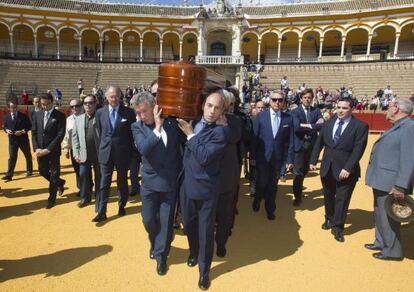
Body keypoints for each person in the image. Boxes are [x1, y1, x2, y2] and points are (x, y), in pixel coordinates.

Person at [176, 88, 228, 290]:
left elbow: (205, 156)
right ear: (203, 105)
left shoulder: (221, 132)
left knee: (206, 232)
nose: (212, 111)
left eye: (217, 108)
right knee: (188, 225)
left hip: (207, 190)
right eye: (209, 105)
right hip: (186, 186)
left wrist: (190, 135)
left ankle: (204, 272)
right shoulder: (193, 120)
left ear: (222, 111)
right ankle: (193, 251)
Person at [131, 92, 184, 276]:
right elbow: (143, 148)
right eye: (137, 112)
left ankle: (161, 257)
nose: (140, 116)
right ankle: (156, 241)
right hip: (149, 184)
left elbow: (184, 146)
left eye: (143, 111)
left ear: (154, 108)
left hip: (170, 182)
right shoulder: (136, 127)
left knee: (167, 222)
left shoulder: (172, 123)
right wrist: (157, 128)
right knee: (148, 220)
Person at [309, 98, 368, 242]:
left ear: (352, 109)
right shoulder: (328, 123)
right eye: (339, 107)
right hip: (327, 167)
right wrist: (313, 160)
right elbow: (319, 143)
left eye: (345, 108)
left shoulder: (360, 126)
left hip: (346, 169)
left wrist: (348, 167)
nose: (341, 110)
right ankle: (329, 219)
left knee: (342, 199)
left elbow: (358, 150)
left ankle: (338, 227)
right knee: (328, 196)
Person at [365, 98, 414, 261]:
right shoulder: (399, 126)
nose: (387, 108)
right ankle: (381, 242)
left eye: (390, 106)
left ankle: (393, 251)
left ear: (396, 109)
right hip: (383, 179)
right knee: (380, 213)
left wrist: (400, 185)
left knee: (389, 217)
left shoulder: (409, 127)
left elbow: (409, 159)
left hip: (392, 182)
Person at [92, 86, 136, 222]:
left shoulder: (129, 113)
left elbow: (132, 134)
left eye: (116, 96)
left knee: (122, 181)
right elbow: (99, 133)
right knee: (104, 182)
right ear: (106, 97)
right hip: (105, 153)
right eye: (111, 96)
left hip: (122, 153)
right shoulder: (100, 113)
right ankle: (101, 210)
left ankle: (121, 204)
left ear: (120, 96)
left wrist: (131, 153)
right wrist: (101, 150)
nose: (114, 99)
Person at [251, 90, 294, 220]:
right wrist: (252, 157)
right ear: (269, 101)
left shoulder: (288, 118)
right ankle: (258, 198)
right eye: (274, 99)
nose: (277, 102)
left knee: (273, 185)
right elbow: (254, 138)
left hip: (278, 158)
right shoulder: (261, 117)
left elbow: (290, 141)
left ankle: (270, 209)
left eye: (280, 100)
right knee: (262, 182)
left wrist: (289, 159)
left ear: (283, 102)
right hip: (262, 157)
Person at [215, 89, 242, 258]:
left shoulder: (234, 121)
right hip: (207, 177)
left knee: (224, 214)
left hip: (226, 176)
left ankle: (221, 243)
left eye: (225, 103)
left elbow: (234, 138)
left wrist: (223, 123)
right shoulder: (204, 119)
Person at [31, 93, 66, 209]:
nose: (44, 107)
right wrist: (37, 148)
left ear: (52, 102)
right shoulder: (37, 115)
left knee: (54, 175)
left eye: (47, 104)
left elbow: (60, 135)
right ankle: (60, 182)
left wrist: (48, 149)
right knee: (42, 171)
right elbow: (34, 133)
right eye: (42, 104)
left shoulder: (60, 116)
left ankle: (51, 199)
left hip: (53, 151)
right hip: (40, 150)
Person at [291, 89, 324, 206]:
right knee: (298, 172)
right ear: (301, 99)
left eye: (309, 97)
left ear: (312, 99)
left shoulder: (316, 110)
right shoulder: (295, 112)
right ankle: (297, 196)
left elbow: (322, 125)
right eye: (305, 97)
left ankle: (298, 188)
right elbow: (296, 127)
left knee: (305, 170)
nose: (307, 99)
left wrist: (306, 125)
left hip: (312, 145)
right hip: (300, 144)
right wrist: (314, 126)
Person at [72, 95, 101, 208]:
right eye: (85, 103)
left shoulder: (100, 117)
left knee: (99, 175)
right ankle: (85, 197)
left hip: (98, 154)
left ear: (95, 104)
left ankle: (99, 196)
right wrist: (76, 152)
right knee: (83, 174)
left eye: (90, 103)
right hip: (84, 154)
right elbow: (74, 137)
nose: (88, 105)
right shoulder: (78, 119)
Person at [2, 101, 33, 181]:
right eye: (12, 107)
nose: (14, 108)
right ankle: (9, 175)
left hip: (23, 139)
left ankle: (29, 170)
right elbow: (5, 126)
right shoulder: (6, 117)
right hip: (12, 140)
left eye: (15, 107)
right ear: (9, 108)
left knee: (27, 155)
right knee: (12, 157)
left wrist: (22, 131)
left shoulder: (23, 116)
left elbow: (29, 126)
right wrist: (7, 130)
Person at [62, 99, 82, 195]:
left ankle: (88, 186)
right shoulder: (69, 119)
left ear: (81, 106)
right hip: (74, 148)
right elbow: (67, 135)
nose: (74, 108)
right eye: (72, 106)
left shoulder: (86, 117)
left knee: (85, 169)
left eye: (77, 106)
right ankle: (81, 187)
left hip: (86, 148)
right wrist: (66, 148)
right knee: (77, 169)